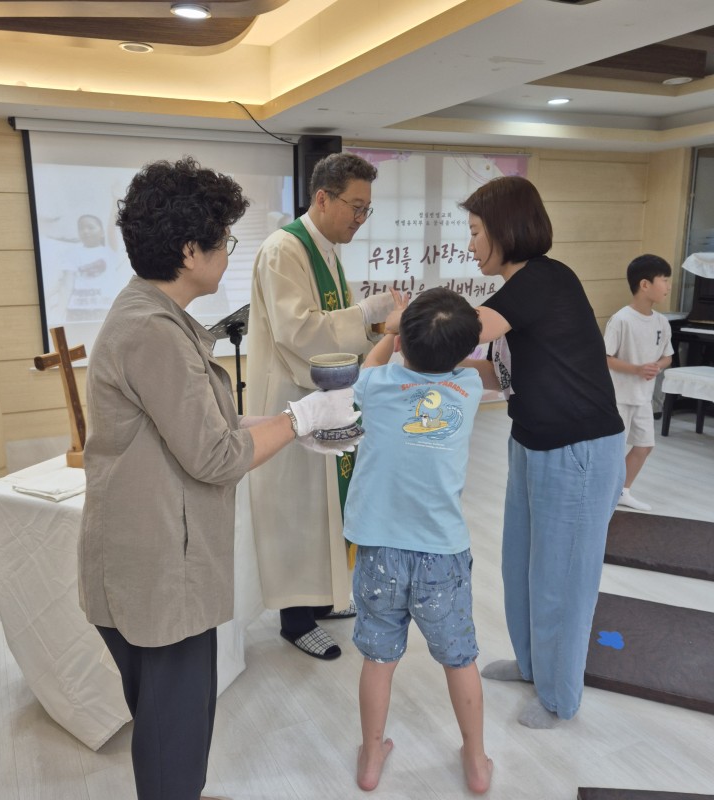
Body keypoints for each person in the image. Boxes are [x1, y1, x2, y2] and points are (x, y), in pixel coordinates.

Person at [77, 157, 360, 800]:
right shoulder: (153, 332)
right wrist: (302, 415)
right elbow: (216, 456)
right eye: (224, 241)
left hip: (150, 562)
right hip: (158, 572)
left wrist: (291, 424)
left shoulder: (155, 317)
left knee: (168, 722)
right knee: (174, 732)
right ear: (188, 250)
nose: (229, 253)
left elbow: (209, 426)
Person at [457, 175, 626, 729]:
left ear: (505, 229)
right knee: (524, 566)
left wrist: (399, 327)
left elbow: (465, 331)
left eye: (477, 231)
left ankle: (560, 697)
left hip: (577, 448)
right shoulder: (517, 292)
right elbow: (500, 368)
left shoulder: (542, 281)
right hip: (531, 441)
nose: (472, 243)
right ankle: (533, 667)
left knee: (563, 579)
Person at [344, 287, 493, 795]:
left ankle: (370, 757)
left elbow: (366, 368)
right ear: (463, 352)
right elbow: (463, 351)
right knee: (459, 658)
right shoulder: (468, 388)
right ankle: (475, 759)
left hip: (379, 551)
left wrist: (388, 332)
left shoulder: (379, 385)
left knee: (378, 659)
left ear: (403, 342)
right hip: (442, 556)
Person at [247, 152, 395, 659]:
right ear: (322, 198)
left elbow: (333, 320)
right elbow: (299, 330)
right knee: (297, 511)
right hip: (291, 402)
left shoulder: (326, 248)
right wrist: (365, 314)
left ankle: (325, 595)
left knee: (327, 507)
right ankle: (295, 618)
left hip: (325, 397)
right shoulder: (284, 249)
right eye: (356, 206)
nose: (360, 217)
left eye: (366, 209)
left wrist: (372, 325)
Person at [604, 254, 673, 512]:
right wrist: (636, 369)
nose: (667, 286)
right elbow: (605, 357)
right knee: (613, 450)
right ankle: (605, 494)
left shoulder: (662, 322)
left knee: (644, 445)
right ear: (645, 285)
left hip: (643, 397)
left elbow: (667, 355)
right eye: (664, 280)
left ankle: (623, 490)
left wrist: (658, 365)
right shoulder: (621, 319)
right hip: (619, 396)